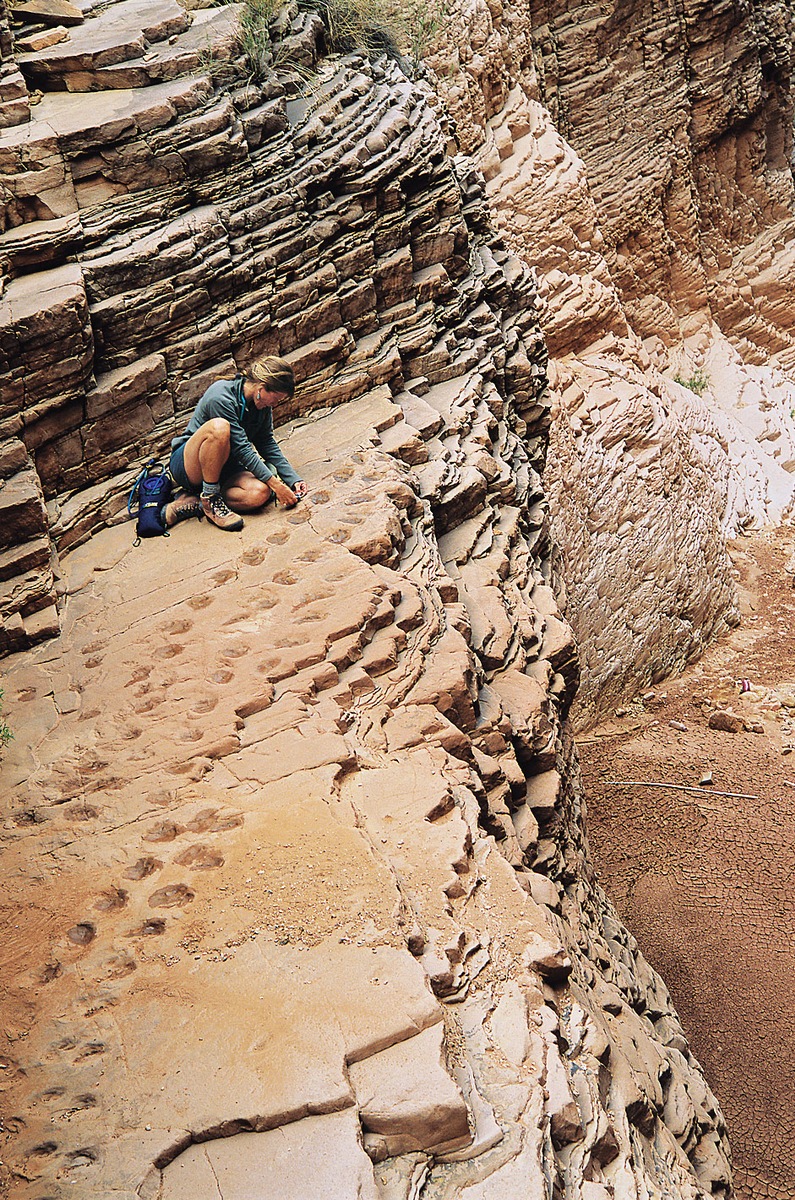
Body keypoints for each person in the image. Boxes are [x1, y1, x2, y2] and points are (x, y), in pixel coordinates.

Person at [164, 357, 307, 531]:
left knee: (259, 493)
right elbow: (242, 449)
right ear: (261, 387)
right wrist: (276, 484)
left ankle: (196, 501)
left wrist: (292, 479)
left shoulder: (262, 405)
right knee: (219, 428)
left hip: (225, 466)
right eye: (276, 398)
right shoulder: (221, 396)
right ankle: (210, 498)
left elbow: (266, 442)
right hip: (190, 465)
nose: (275, 404)